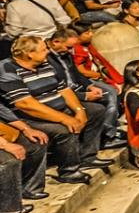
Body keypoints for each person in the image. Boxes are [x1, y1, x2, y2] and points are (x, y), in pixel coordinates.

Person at [0, 35, 109, 185]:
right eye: (44, 49)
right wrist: (65, 118)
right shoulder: (7, 69)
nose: (48, 52)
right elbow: (26, 104)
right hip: (30, 117)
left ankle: (87, 157)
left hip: (58, 107)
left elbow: (64, 90)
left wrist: (79, 110)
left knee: (96, 110)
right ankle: (69, 171)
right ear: (29, 54)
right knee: (63, 129)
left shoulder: (45, 63)